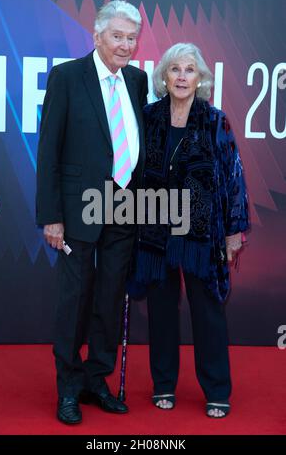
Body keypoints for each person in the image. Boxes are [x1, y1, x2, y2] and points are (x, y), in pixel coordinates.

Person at [36, 0, 148, 424]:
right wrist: (51, 215)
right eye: (117, 36)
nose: (125, 45)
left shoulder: (136, 80)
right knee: (75, 300)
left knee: (110, 297)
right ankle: (68, 387)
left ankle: (96, 380)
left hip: (124, 205)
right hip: (77, 207)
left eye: (131, 37)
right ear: (97, 35)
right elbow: (48, 150)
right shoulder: (67, 76)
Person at [132, 43, 249, 418]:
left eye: (190, 70)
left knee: (207, 310)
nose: (182, 76)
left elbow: (234, 178)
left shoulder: (216, 121)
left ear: (201, 79)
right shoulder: (147, 118)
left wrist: (234, 232)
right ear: (163, 77)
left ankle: (217, 389)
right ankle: (163, 384)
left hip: (202, 235)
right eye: (175, 70)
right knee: (162, 310)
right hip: (155, 230)